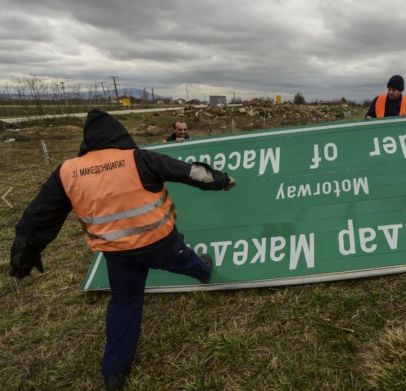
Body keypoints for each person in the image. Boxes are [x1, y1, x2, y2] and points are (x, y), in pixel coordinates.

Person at [9, 109, 236, 390]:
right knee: (190, 262)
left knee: (124, 302)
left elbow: (39, 215)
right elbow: (189, 172)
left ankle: (114, 373)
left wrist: (24, 253)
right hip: (160, 244)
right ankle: (205, 273)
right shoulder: (138, 159)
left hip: (118, 254)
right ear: (118, 133)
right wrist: (222, 180)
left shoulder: (68, 171)